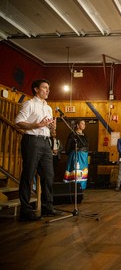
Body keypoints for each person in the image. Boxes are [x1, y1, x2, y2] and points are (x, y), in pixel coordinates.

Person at [15, 79, 61, 221]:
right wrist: (37, 125)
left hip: (45, 142)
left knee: (48, 175)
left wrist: (52, 128)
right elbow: (18, 122)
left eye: (49, 88)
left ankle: (48, 207)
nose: (48, 90)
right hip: (32, 141)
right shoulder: (29, 104)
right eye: (45, 88)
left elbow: (52, 132)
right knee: (28, 175)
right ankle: (26, 210)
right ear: (36, 89)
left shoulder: (48, 107)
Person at [64, 119, 89, 189]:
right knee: (76, 171)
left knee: (83, 171)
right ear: (77, 125)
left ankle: (82, 187)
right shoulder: (73, 134)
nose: (84, 125)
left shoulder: (85, 135)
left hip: (84, 156)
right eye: (82, 124)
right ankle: (74, 187)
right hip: (76, 155)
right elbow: (68, 146)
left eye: (84, 124)